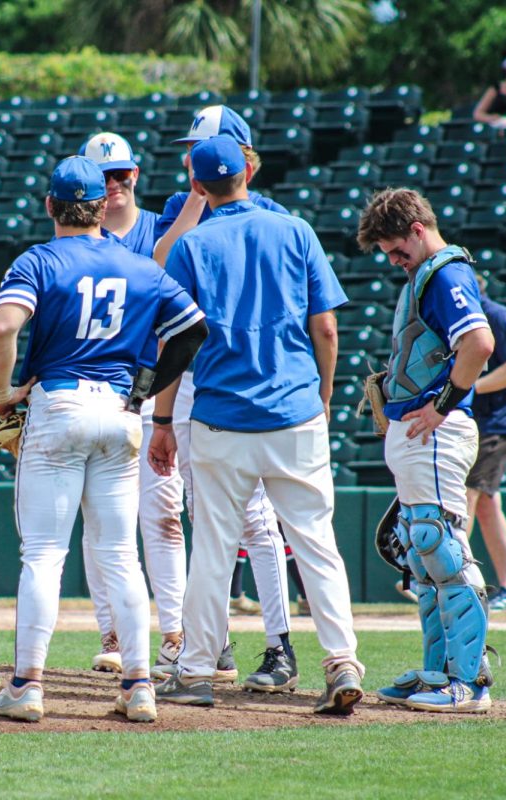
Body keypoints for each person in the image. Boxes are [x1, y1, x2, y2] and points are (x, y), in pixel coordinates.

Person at [0, 156, 207, 723]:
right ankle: (139, 686)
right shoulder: (138, 264)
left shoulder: (39, 259)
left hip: (58, 405)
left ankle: (27, 686)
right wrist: (149, 388)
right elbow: (194, 329)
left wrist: (2, 395)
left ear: (52, 205)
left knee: (43, 555)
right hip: (119, 410)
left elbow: (4, 326)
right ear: (103, 206)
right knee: (120, 556)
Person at [149, 136, 364, 713]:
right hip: (294, 413)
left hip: (221, 418)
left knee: (214, 550)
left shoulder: (192, 245)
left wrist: (163, 420)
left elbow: (176, 341)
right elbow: (326, 328)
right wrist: (320, 394)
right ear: (247, 170)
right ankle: (341, 662)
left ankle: (195, 672)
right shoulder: (296, 231)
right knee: (317, 544)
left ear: (197, 185)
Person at [151, 106, 304, 694]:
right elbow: (161, 269)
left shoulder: (274, 216)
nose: (190, 156)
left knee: (258, 520)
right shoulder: (179, 207)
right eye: (189, 145)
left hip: (249, 383)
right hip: (193, 381)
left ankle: (279, 645)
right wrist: (194, 201)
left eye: (203, 146)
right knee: (205, 517)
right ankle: (210, 648)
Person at [356, 187, 497, 714]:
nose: (393, 260)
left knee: (438, 544)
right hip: (417, 434)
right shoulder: (426, 274)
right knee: (421, 553)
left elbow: (479, 344)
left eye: (396, 249)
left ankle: (468, 681)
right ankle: (440, 671)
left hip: (436, 431)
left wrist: (441, 403)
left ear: (417, 229)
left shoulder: (445, 273)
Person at [74, 132, 187, 676]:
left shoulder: (156, 230)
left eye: (122, 176)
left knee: (164, 515)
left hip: (151, 388)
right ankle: (113, 632)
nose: (114, 186)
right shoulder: (79, 240)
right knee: (102, 522)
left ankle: (175, 631)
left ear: (135, 175)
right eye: (104, 180)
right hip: (100, 392)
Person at [466, 275, 506, 612]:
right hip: (483, 422)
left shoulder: (496, 315)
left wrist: (470, 388)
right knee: (488, 505)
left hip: (497, 422)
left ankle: (452, 580)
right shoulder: (469, 320)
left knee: (468, 494)